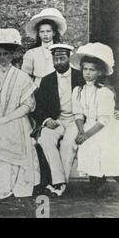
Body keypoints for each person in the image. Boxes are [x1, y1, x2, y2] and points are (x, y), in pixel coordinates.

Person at [0, 29, 40, 200]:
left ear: (13, 55)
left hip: (16, 117)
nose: (2, 58)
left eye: (6, 54)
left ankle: (11, 183)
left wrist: (7, 118)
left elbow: (28, 106)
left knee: (8, 133)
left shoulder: (22, 77)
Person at [32, 44, 84, 197]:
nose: (59, 62)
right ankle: (59, 181)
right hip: (57, 119)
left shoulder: (80, 76)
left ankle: (58, 185)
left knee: (68, 144)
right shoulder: (47, 80)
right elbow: (39, 106)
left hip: (76, 119)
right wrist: (47, 120)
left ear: (69, 58)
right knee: (45, 138)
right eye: (56, 59)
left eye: (62, 58)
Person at [69, 42, 119, 192]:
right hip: (88, 125)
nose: (88, 73)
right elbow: (78, 113)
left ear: (99, 72)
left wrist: (87, 135)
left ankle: (109, 177)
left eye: (92, 70)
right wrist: (81, 131)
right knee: (86, 145)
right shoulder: (78, 90)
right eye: (85, 69)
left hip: (104, 127)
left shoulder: (105, 92)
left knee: (104, 148)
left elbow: (104, 119)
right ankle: (96, 180)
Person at [22, 8, 67, 87]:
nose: (45, 34)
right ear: (38, 34)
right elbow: (25, 75)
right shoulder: (31, 53)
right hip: (38, 88)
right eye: (42, 32)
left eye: (48, 31)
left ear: (54, 33)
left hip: (57, 87)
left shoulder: (62, 51)